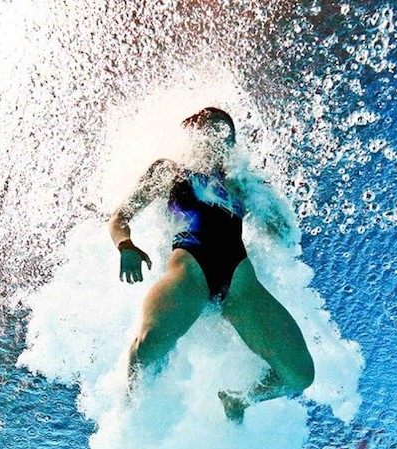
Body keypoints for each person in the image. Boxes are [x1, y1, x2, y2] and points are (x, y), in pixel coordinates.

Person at [107, 107, 315, 422]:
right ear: (193, 135)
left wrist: (266, 196)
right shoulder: (169, 172)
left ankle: (239, 401)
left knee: (299, 374)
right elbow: (120, 218)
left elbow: (284, 233)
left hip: (241, 285)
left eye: (224, 135)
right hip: (189, 272)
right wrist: (126, 246)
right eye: (209, 131)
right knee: (149, 346)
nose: (216, 140)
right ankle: (132, 407)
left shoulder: (240, 184)